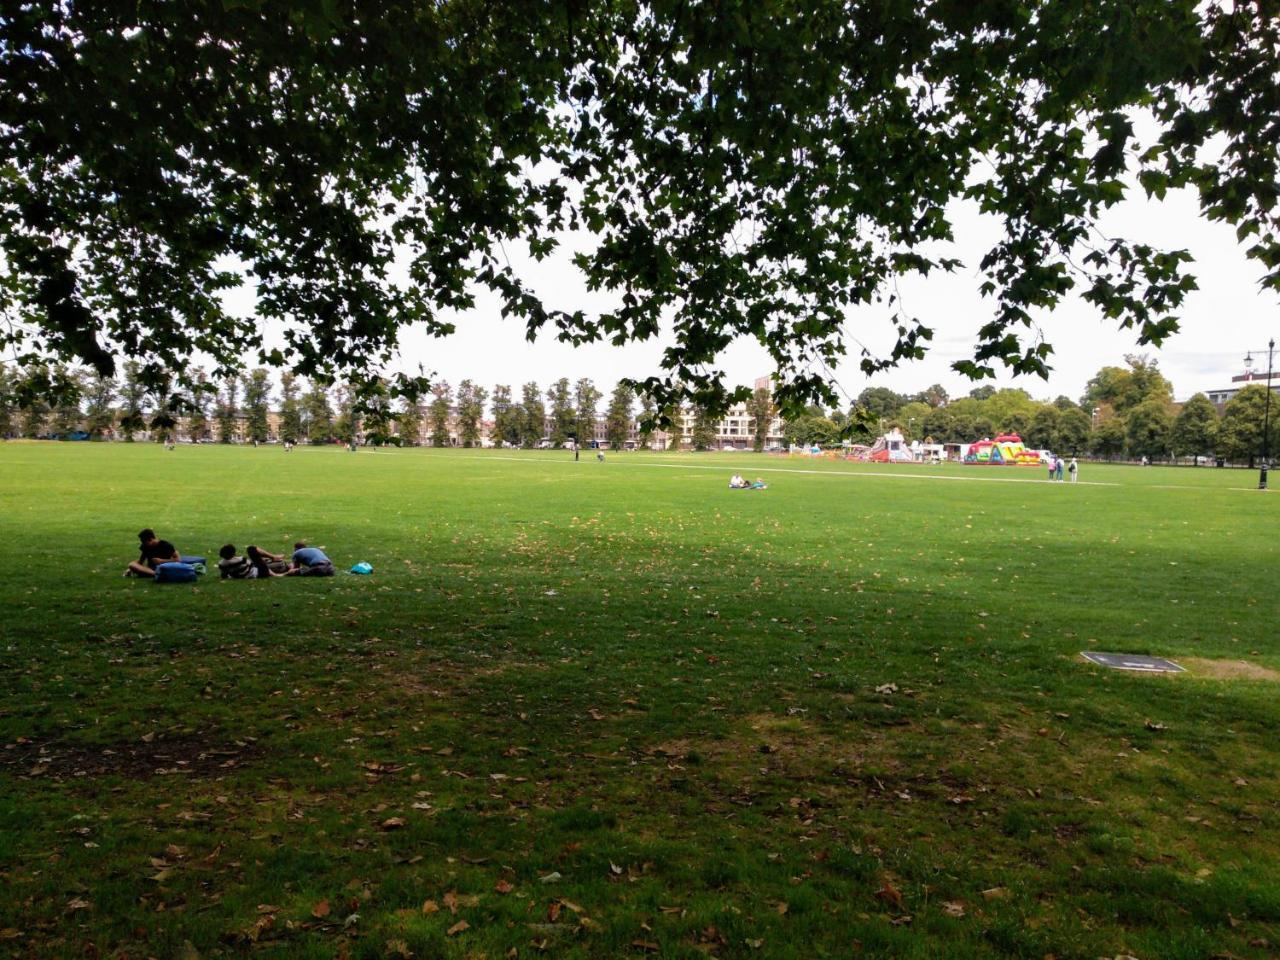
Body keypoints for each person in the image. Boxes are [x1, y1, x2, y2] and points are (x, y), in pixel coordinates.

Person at [218, 544, 288, 579]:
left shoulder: (221, 564)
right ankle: (274, 557)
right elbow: (253, 564)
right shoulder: (241, 559)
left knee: (262, 560)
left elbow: (223, 575)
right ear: (233, 553)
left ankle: (274, 559)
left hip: (252, 573)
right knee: (251, 549)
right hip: (261, 573)